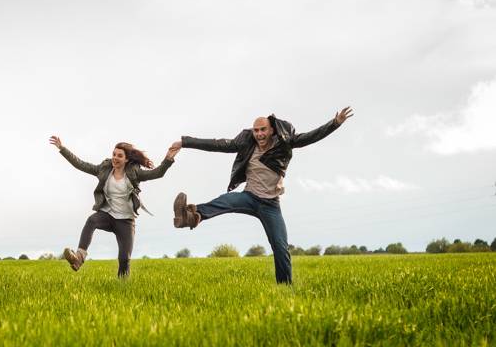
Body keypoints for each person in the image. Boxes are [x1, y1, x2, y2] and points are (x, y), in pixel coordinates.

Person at [170, 107, 354, 284]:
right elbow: (217, 144)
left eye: (262, 130)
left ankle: (284, 287)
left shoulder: (284, 142)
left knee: (281, 247)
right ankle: (192, 216)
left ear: (271, 129)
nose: (259, 134)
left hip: (271, 205)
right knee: (225, 200)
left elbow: (309, 137)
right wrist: (185, 142)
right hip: (250, 197)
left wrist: (335, 123)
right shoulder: (246, 142)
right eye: (256, 131)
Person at [50, 136, 180, 277]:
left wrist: (169, 159)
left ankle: (123, 288)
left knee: (124, 260)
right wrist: (62, 148)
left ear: (126, 159)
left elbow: (158, 173)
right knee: (92, 220)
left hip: (125, 221)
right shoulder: (104, 169)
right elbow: (81, 164)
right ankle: (79, 258)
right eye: (114, 154)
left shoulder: (134, 172)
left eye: (119, 156)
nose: (115, 158)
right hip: (108, 215)